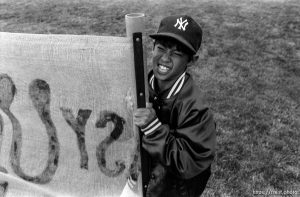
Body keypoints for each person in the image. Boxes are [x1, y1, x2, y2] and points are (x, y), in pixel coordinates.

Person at [122, 15, 216, 197]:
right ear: (152, 47)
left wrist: (153, 128)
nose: (165, 58)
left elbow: (188, 162)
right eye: (161, 48)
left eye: (177, 53)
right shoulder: (138, 85)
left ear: (192, 60)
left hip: (166, 191)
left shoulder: (196, 109)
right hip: (134, 179)